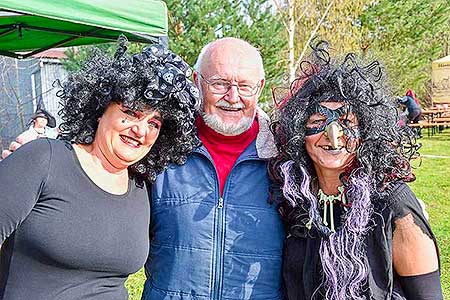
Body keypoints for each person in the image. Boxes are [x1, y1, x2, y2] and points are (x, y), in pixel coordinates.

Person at [0, 38, 200, 300]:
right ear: (100, 109)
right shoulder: (44, 159)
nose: (141, 130)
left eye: (154, 123)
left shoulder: (143, 186)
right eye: (130, 112)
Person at [270, 42, 443, 300]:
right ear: (298, 132)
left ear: (367, 131)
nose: (334, 137)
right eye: (318, 122)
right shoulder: (296, 198)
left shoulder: (393, 205)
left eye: (347, 122)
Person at [141, 37, 285, 300]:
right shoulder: (159, 149)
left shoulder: (285, 162)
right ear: (197, 81)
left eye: (244, 86)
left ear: (260, 87)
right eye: (219, 83)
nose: (233, 97)